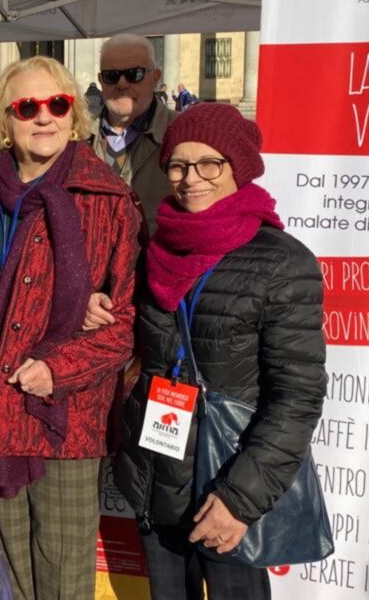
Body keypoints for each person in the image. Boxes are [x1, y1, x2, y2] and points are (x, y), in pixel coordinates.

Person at [0, 56, 142, 600]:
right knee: (7, 577)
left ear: (74, 113)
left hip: (65, 422)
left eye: (57, 104)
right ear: (6, 119)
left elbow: (123, 326)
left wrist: (57, 368)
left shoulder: (107, 200)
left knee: (62, 580)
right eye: (28, 106)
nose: (44, 117)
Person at [114, 103, 327, 600]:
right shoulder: (156, 252)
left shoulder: (282, 262)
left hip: (227, 482)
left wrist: (239, 501)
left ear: (239, 167)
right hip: (159, 473)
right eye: (178, 165)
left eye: (210, 163)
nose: (192, 179)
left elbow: (296, 399)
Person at [93, 33, 176, 235]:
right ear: (100, 81)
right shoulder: (75, 135)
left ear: (155, 78)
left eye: (134, 74)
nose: (121, 84)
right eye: (111, 76)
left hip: (154, 261)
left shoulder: (183, 131)